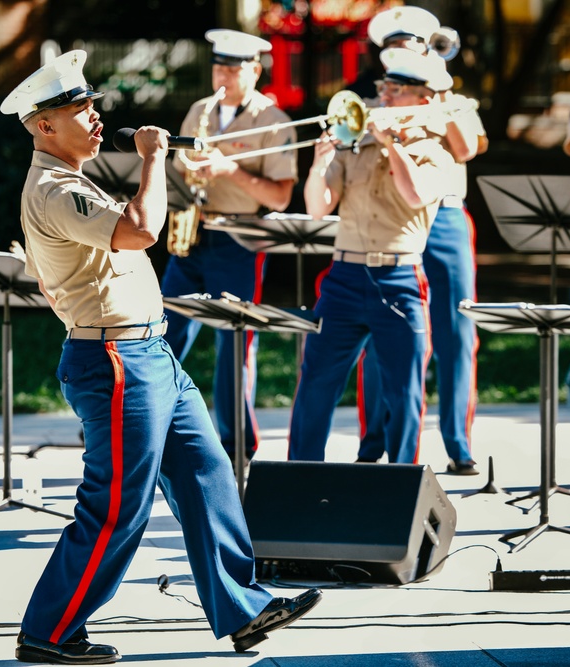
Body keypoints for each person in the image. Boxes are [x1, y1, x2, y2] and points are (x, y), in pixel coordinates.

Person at [0, 50, 319, 664]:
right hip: (117, 360)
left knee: (207, 474)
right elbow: (144, 230)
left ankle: (244, 609)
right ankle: (49, 630)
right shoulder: (55, 187)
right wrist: (154, 160)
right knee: (117, 504)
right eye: (77, 110)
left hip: (150, 353)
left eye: (93, 106)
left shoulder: (75, 179)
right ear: (43, 125)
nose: (94, 118)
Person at [288, 49, 456, 465]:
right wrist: (321, 161)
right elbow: (317, 208)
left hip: (398, 279)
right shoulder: (355, 143)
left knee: (404, 393)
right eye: (385, 88)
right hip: (344, 275)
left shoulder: (436, 153)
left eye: (397, 91)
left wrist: (392, 144)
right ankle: (299, 479)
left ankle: (400, 488)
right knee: (315, 383)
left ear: (425, 100)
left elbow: (415, 194)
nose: (384, 97)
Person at [355, 6, 488, 475]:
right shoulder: (368, 104)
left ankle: (458, 442)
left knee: (456, 331)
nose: (398, 58)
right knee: (380, 331)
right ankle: (374, 442)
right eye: (390, 51)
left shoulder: (452, 98)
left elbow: (468, 148)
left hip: (445, 217)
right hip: (389, 221)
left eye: (408, 46)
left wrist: (439, 93)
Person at [161, 29, 298, 465]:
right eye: (218, 67)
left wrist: (229, 169)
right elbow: (179, 169)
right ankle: (148, 421)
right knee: (161, 331)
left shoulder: (273, 119)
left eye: (233, 69)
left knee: (234, 345)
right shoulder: (200, 110)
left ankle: (237, 446)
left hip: (239, 239)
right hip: (192, 232)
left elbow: (279, 197)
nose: (222, 76)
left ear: (255, 71)